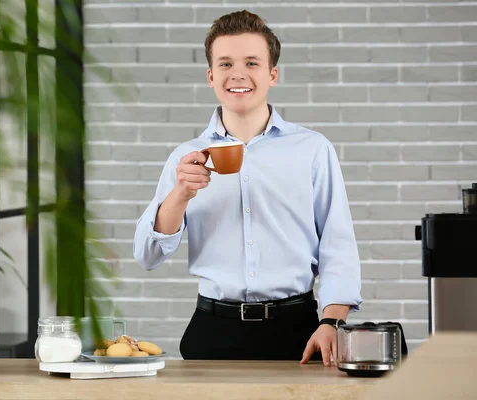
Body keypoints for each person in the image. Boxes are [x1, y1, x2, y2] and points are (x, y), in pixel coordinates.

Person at [133, 10, 362, 366]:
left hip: (298, 331)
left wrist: (332, 321)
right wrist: (179, 194)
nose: (238, 74)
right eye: (225, 64)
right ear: (211, 76)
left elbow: (338, 245)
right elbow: (147, 256)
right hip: (212, 332)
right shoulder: (186, 159)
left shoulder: (313, 149)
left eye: (251, 63)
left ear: (272, 74)